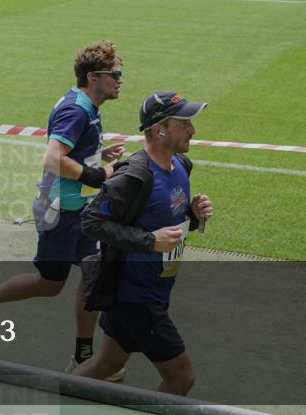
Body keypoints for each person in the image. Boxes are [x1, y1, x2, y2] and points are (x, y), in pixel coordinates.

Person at [0, 40, 126, 378]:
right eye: (114, 74)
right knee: (50, 283)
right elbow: (52, 158)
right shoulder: (76, 110)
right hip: (61, 212)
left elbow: (68, 154)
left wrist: (96, 157)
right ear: (93, 77)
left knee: (93, 275)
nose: (120, 80)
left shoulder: (87, 106)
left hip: (81, 209)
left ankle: (83, 357)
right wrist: (98, 173)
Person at [72, 90, 214, 395]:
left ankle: (50, 400)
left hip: (155, 289)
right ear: (159, 128)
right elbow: (91, 221)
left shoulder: (181, 165)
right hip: (135, 298)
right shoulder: (134, 176)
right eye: (185, 122)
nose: (193, 129)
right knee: (181, 377)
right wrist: (150, 241)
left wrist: (193, 214)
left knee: (107, 363)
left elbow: (166, 220)